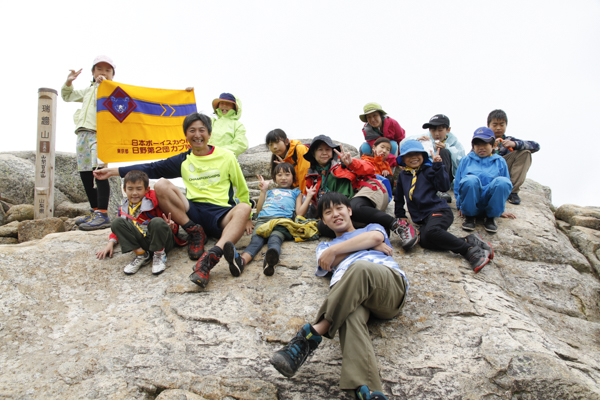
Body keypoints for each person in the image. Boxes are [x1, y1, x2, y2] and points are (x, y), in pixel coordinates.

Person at [270, 192, 408, 400]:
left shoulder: (371, 227)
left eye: (339, 208)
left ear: (349, 211)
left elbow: (376, 237)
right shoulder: (324, 247)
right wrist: (363, 246)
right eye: (328, 212)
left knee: (360, 267)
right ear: (323, 220)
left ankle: (313, 333)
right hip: (351, 298)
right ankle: (368, 391)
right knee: (348, 317)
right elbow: (327, 261)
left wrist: (348, 247)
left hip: (387, 287)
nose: (335, 214)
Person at [93, 113, 252, 288]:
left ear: (209, 134)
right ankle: (195, 232)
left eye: (201, 130)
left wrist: (248, 219)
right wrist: (114, 171)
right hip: (193, 211)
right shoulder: (184, 159)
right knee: (161, 185)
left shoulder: (227, 156)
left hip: (221, 214)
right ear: (186, 135)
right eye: (192, 130)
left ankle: (211, 257)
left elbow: (242, 188)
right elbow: (152, 168)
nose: (197, 135)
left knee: (244, 207)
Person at [303, 135, 418, 250]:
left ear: (333, 152)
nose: (324, 153)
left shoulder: (342, 164)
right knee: (323, 226)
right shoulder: (311, 179)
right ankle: (371, 234)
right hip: (344, 208)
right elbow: (316, 206)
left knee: (354, 206)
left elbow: (370, 168)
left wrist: (351, 163)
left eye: (327, 149)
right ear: (313, 153)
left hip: (370, 190)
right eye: (320, 150)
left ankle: (400, 226)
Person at [395, 140, 493, 273]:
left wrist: (438, 167)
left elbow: (444, 186)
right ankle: (469, 240)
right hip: (424, 218)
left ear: (423, 156)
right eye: (409, 154)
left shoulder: (429, 170)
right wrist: (400, 214)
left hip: (439, 210)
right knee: (424, 241)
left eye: (417, 153)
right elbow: (399, 196)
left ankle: (469, 250)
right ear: (403, 159)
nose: (413, 157)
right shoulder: (403, 175)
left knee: (432, 231)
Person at [223, 163, 316, 277]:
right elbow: (259, 209)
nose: (283, 178)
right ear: (275, 178)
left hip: (282, 221)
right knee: (255, 241)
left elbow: (300, 212)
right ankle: (240, 262)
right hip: (263, 220)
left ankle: (270, 261)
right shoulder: (270, 192)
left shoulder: (296, 193)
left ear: (293, 177)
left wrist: (310, 196)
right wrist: (263, 191)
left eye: (287, 174)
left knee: (275, 239)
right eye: (279, 174)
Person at [61, 55, 116, 231]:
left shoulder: (112, 90)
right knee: (85, 172)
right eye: (99, 69)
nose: (103, 72)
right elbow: (67, 96)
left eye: (108, 70)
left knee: (99, 170)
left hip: (99, 134)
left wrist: (103, 85)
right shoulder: (87, 90)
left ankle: (103, 214)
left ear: (113, 75)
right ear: (93, 72)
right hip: (83, 134)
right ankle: (94, 211)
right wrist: (69, 82)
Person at [95, 171, 185, 275]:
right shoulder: (124, 207)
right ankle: (141, 255)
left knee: (157, 221)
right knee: (117, 222)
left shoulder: (155, 202)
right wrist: (110, 243)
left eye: (139, 189)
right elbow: (119, 228)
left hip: (161, 240)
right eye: (130, 189)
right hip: (142, 243)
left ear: (147, 190)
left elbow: (172, 222)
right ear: (124, 189)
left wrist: (171, 227)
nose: (134, 193)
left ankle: (159, 255)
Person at [454, 127, 515, 233]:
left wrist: (501, 209)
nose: (481, 148)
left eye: (485, 144)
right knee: (470, 180)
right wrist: (460, 206)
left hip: (489, 202)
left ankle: (490, 217)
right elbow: (458, 184)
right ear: (473, 146)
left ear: (493, 145)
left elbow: (506, 186)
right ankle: (469, 216)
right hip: (470, 202)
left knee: (503, 182)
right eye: (477, 144)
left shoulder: (500, 161)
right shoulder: (466, 160)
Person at [402, 114, 465, 203]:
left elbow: (461, 162)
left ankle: (442, 191)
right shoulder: (426, 138)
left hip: (445, 177)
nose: (436, 133)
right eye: (433, 130)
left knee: (444, 152)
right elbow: (403, 143)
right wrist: (416, 142)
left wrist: (446, 147)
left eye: (440, 130)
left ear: (448, 130)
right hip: (428, 174)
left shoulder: (454, 142)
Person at [488, 109, 540, 205]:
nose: (498, 128)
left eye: (501, 125)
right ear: (488, 126)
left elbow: (536, 146)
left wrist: (514, 144)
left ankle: (512, 191)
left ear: (506, 125)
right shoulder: (482, 140)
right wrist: (490, 149)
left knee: (525, 153)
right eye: (495, 125)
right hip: (487, 172)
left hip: (504, 170)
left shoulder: (509, 140)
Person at [358, 102, 406, 167]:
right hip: (376, 152)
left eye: (375, 115)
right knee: (365, 146)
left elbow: (401, 140)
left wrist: (401, 160)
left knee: (393, 144)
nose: (372, 119)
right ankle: (370, 168)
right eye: (369, 117)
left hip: (391, 151)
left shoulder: (393, 123)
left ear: (380, 115)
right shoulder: (366, 129)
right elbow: (374, 145)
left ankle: (389, 169)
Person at [208, 93, 248, 157]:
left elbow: (241, 144)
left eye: (228, 103)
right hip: (207, 159)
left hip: (226, 161)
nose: (224, 106)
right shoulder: (211, 121)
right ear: (218, 105)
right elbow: (193, 125)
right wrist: (188, 95)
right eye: (222, 103)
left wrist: (217, 151)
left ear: (235, 107)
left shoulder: (237, 125)